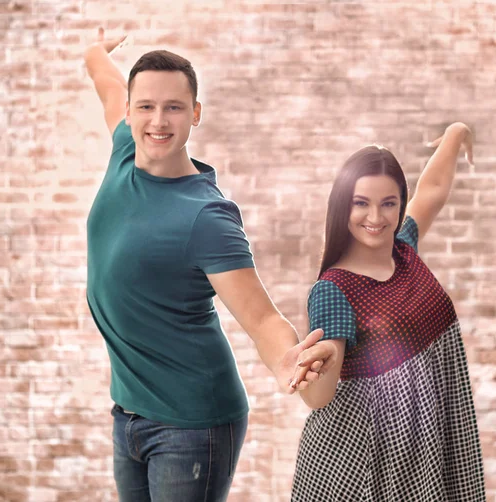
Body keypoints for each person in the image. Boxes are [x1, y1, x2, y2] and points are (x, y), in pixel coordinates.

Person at [83, 28, 337, 502]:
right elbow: (106, 81)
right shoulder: (123, 150)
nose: (158, 120)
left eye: (174, 107)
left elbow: (261, 318)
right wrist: (95, 51)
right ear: (130, 111)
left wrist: (286, 362)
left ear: (195, 113)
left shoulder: (206, 216)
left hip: (192, 425)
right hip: (130, 411)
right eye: (146, 106)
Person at [291, 123, 486, 501]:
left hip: (420, 450)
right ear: (342, 205)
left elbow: (431, 191)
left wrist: (456, 134)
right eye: (361, 203)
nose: (376, 217)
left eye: (388, 203)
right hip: (364, 464)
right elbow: (318, 399)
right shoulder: (333, 291)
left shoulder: (403, 249)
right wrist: (319, 363)